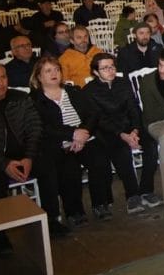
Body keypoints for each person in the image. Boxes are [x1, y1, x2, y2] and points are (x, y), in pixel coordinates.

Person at [0, 64, 68, 256]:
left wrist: (29, 157)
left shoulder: (21, 98)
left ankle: (51, 219)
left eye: (3, 77)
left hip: (23, 155)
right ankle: (0, 236)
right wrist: (4, 164)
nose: (0, 83)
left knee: (48, 166)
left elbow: (35, 129)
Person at [30, 56, 113, 225]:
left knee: (99, 159)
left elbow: (93, 114)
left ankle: (100, 204)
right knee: (69, 169)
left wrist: (83, 134)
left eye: (57, 70)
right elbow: (43, 127)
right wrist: (72, 134)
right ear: (39, 77)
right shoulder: (35, 100)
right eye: (48, 71)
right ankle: (74, 211)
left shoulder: (73, 91)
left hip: (84, 138)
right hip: (59, 144)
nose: (54, 73)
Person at [84, 53, 163, 212]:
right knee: (121, 151)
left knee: (151, 145)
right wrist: (122, 134)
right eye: (105, 68)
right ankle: (132, 195)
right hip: (108, 132)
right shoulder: (89, 90)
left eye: (112, 66)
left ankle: (146, 190)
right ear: (95, 72)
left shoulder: (123, 83)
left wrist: (134, 129)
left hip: (130, 127)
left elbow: (134, 108)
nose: (110, 71)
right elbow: (99, 119)